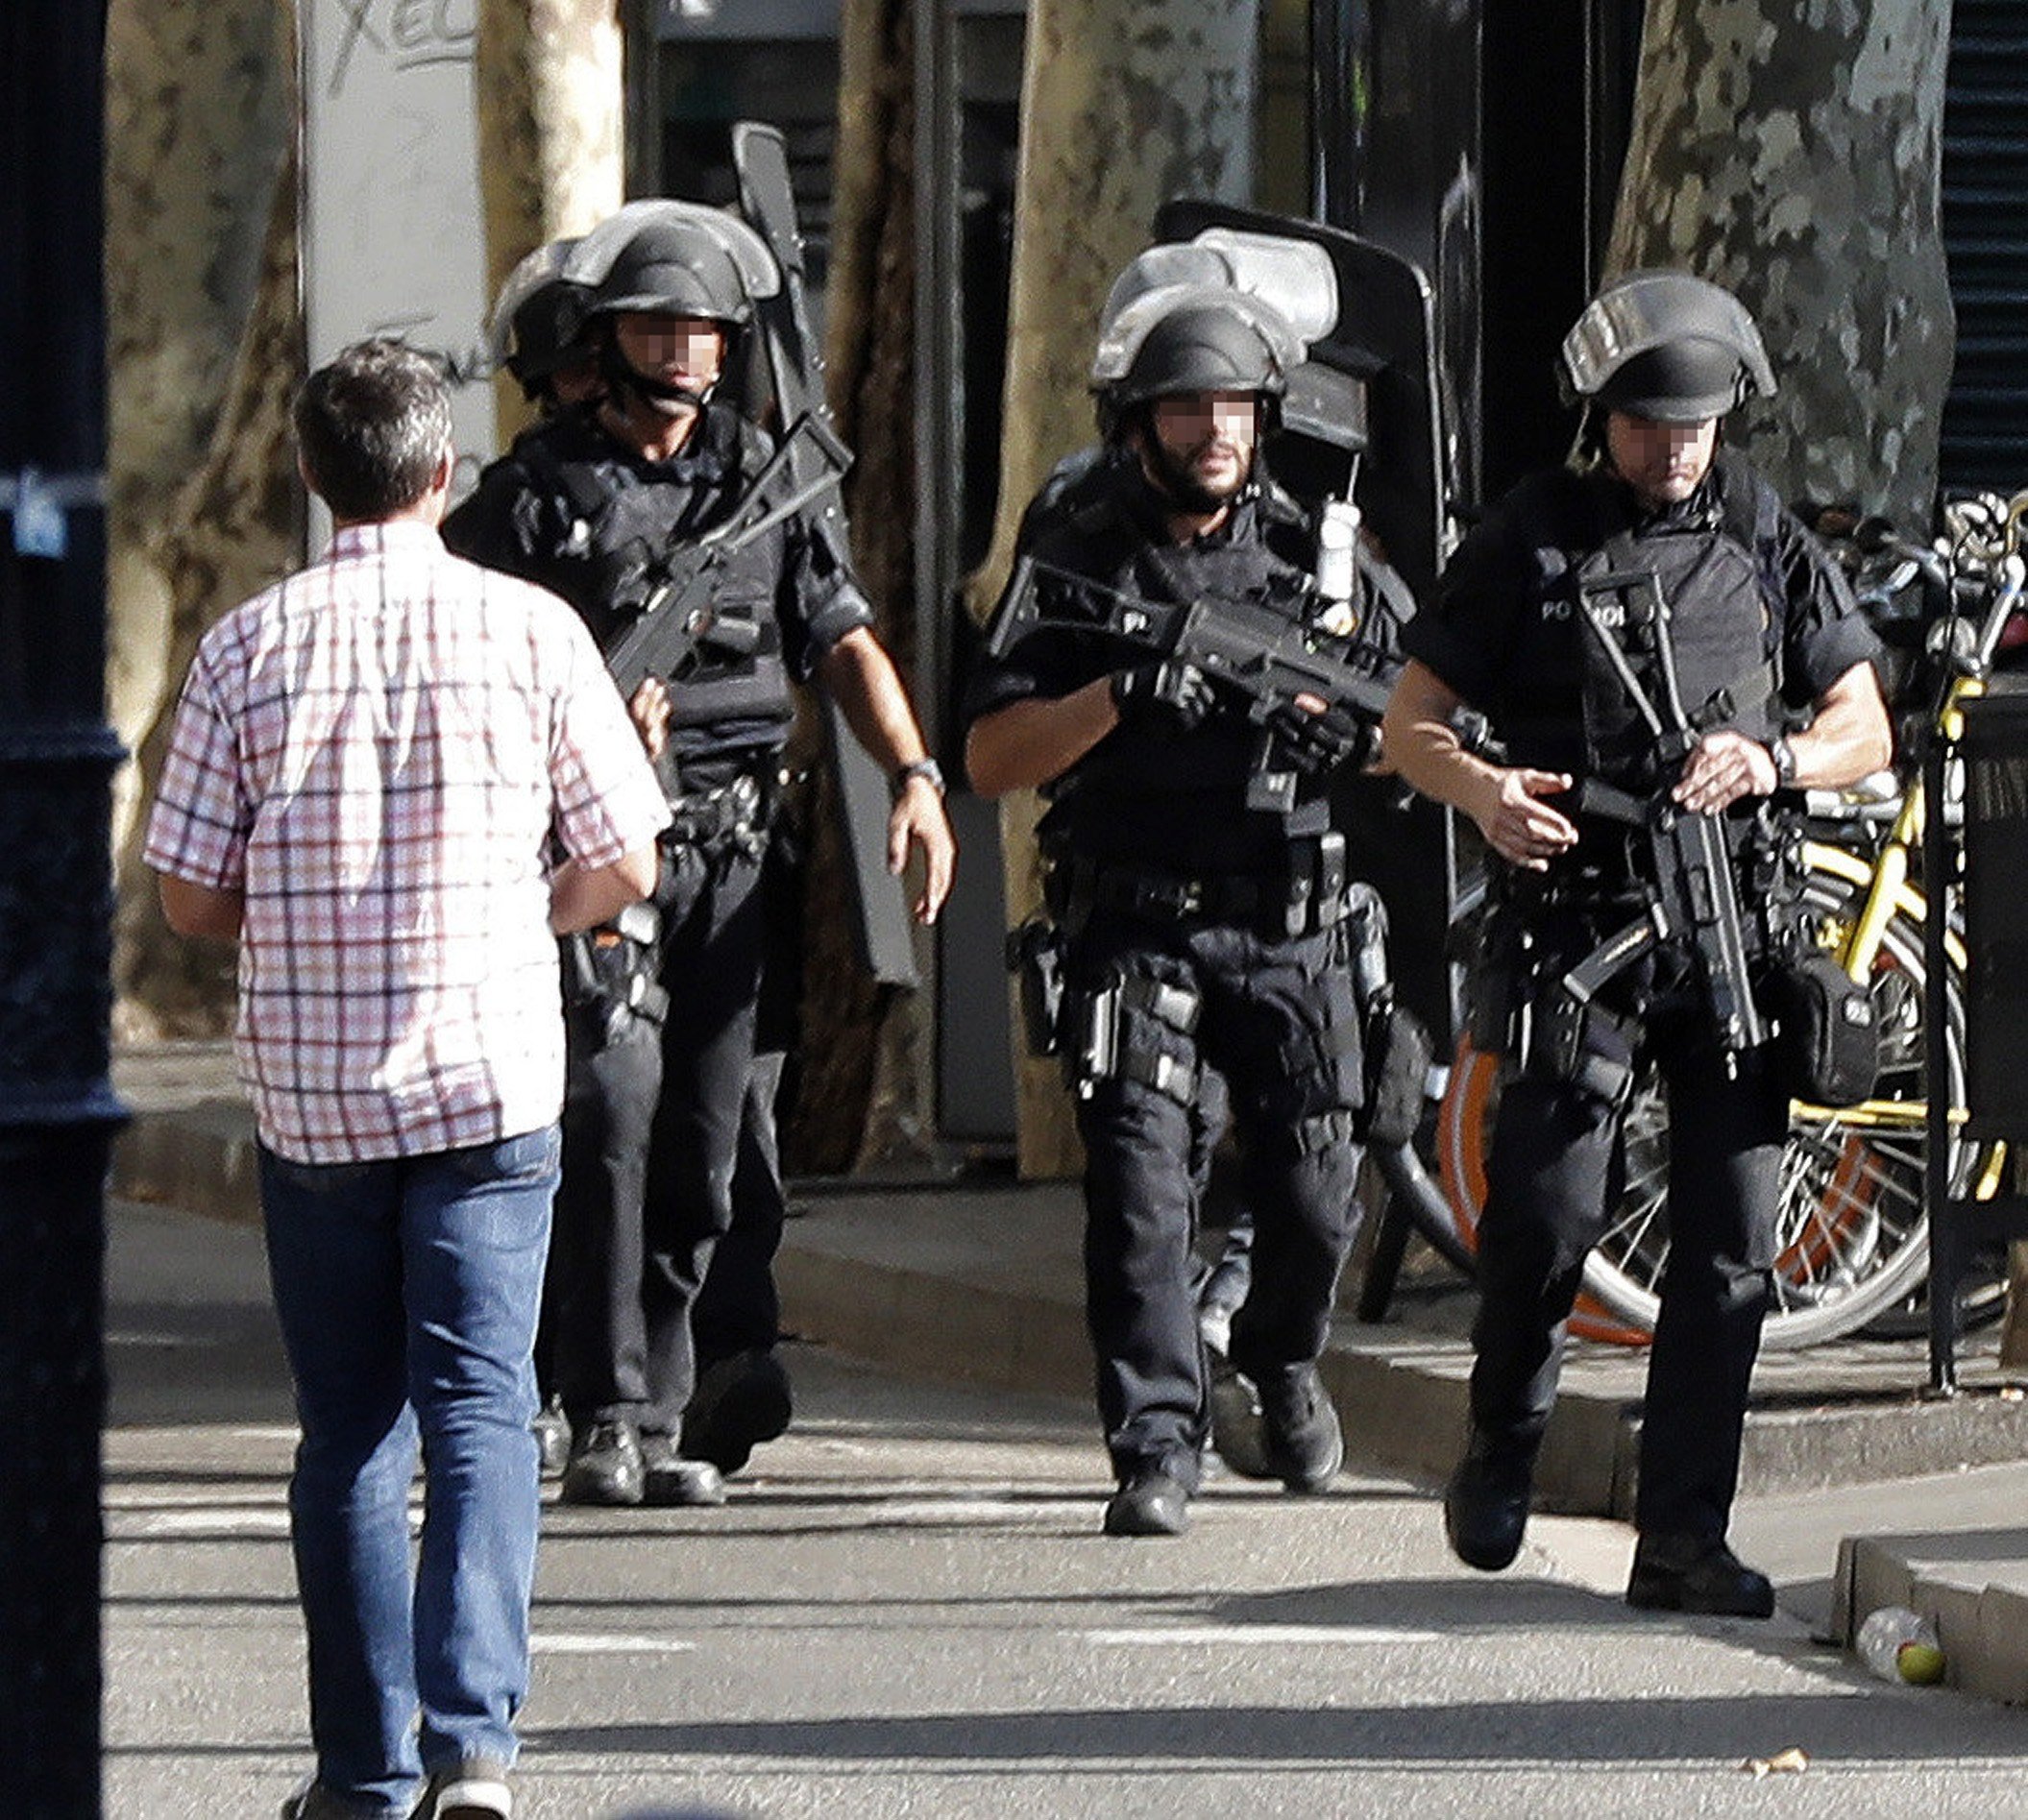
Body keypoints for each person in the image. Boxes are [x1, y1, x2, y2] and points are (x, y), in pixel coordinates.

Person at [144, 339, 670, 1819]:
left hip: (317, 1103)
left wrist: (302, 915)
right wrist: (527, 911)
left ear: (312, 479)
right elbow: (623, 861)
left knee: (350, 1430)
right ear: (443, 475)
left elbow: (185, 897)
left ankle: (363, 1774)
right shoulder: (533, 635)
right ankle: (475, 1750)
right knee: (481, 1407)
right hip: (489, 1085)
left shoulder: (248, 647)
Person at [1381, 270, 1893, 1615]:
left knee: (1731, 1248)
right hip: (1583, 924)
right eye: (1648, 423)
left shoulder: (1764, 530)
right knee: (1545, 1218)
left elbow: (1865, 720)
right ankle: (1504, 1435)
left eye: (1697, 424)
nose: (1674, 448)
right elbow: (1409, 723)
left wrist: (1774, 760)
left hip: (1730, 926)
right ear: (1600, 417)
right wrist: (1488, 794)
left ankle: (1684, 1539)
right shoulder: (1532, 537)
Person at [444, 201, 956, 1509]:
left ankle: (663, 1399)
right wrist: (582, 726)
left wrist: (912, 774)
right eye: (656, 327)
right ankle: (598, 1401)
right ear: (604, 342)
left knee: (710, 1133)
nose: (681, 352)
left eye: (702, 332)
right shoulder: (528, 505)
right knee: (606, 1111)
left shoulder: (765, 488)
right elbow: (455, 677)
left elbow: (841, 639)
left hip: (729, 852)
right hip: (587, 857)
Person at [964, 265, 1387, 1538]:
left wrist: (1350, 747)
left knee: (1316, 1196)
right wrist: (1121, 700)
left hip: (1290, 922)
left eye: (1237, 409)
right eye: (1188, 407)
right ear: (1138, 419)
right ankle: (1157, 1441)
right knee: (1143, 1199)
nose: (1215, 432)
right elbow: (987, 757)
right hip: (1137, 921)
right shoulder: (1079, 550)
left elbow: (1416, 718)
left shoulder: (1320, 551)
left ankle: (1279, 1358)